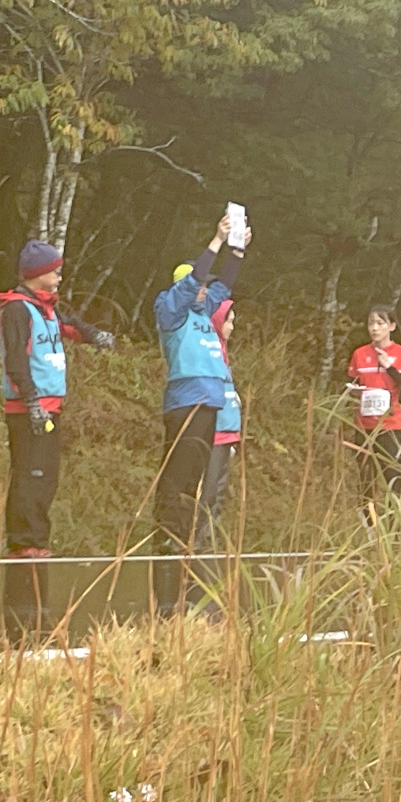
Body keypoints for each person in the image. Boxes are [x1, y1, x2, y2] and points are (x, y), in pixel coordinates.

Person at [0, 240, 114, 637]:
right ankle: (24, 543)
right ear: (37, 273)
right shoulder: (17, 309)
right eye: (55, 270)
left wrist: (96, 336)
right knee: (30, 474)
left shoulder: (47, 307)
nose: (59, 276)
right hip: (29, 409)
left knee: (46, 475)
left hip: (51, 408)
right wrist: (31, 402)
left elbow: (73, 326)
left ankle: (37, 537)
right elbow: (16, 359)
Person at [153, 213, 249, 614]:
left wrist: (237, 251)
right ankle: (170, 538)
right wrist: (216, 241)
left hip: (210, 402)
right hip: (187, 400)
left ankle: (187, 539)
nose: (205, 291)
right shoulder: (171, 310)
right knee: (180, 479)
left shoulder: (201, 310)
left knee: (199, 482)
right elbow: (195, 281)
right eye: (198, 285)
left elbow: (224, 286)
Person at [346, 303, 401, 500]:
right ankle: (367, 515)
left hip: (391, 424)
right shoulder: (359, 353)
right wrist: (355, 393)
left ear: (392, 326)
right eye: (371, 323)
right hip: (364, 424)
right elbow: (351, 384)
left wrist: (391, 368)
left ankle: (397, 515)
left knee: (393, 475)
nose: (374, 328)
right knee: (365, 476)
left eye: (380, 323)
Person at [194, 298, 241, 552]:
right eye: (228, 321)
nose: (231, 327)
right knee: (209, 490)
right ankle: (199, 542)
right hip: (214, 432)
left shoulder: (223, 352)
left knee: (219, 493)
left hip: (227, 432)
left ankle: (209, 540)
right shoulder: (208, 352)